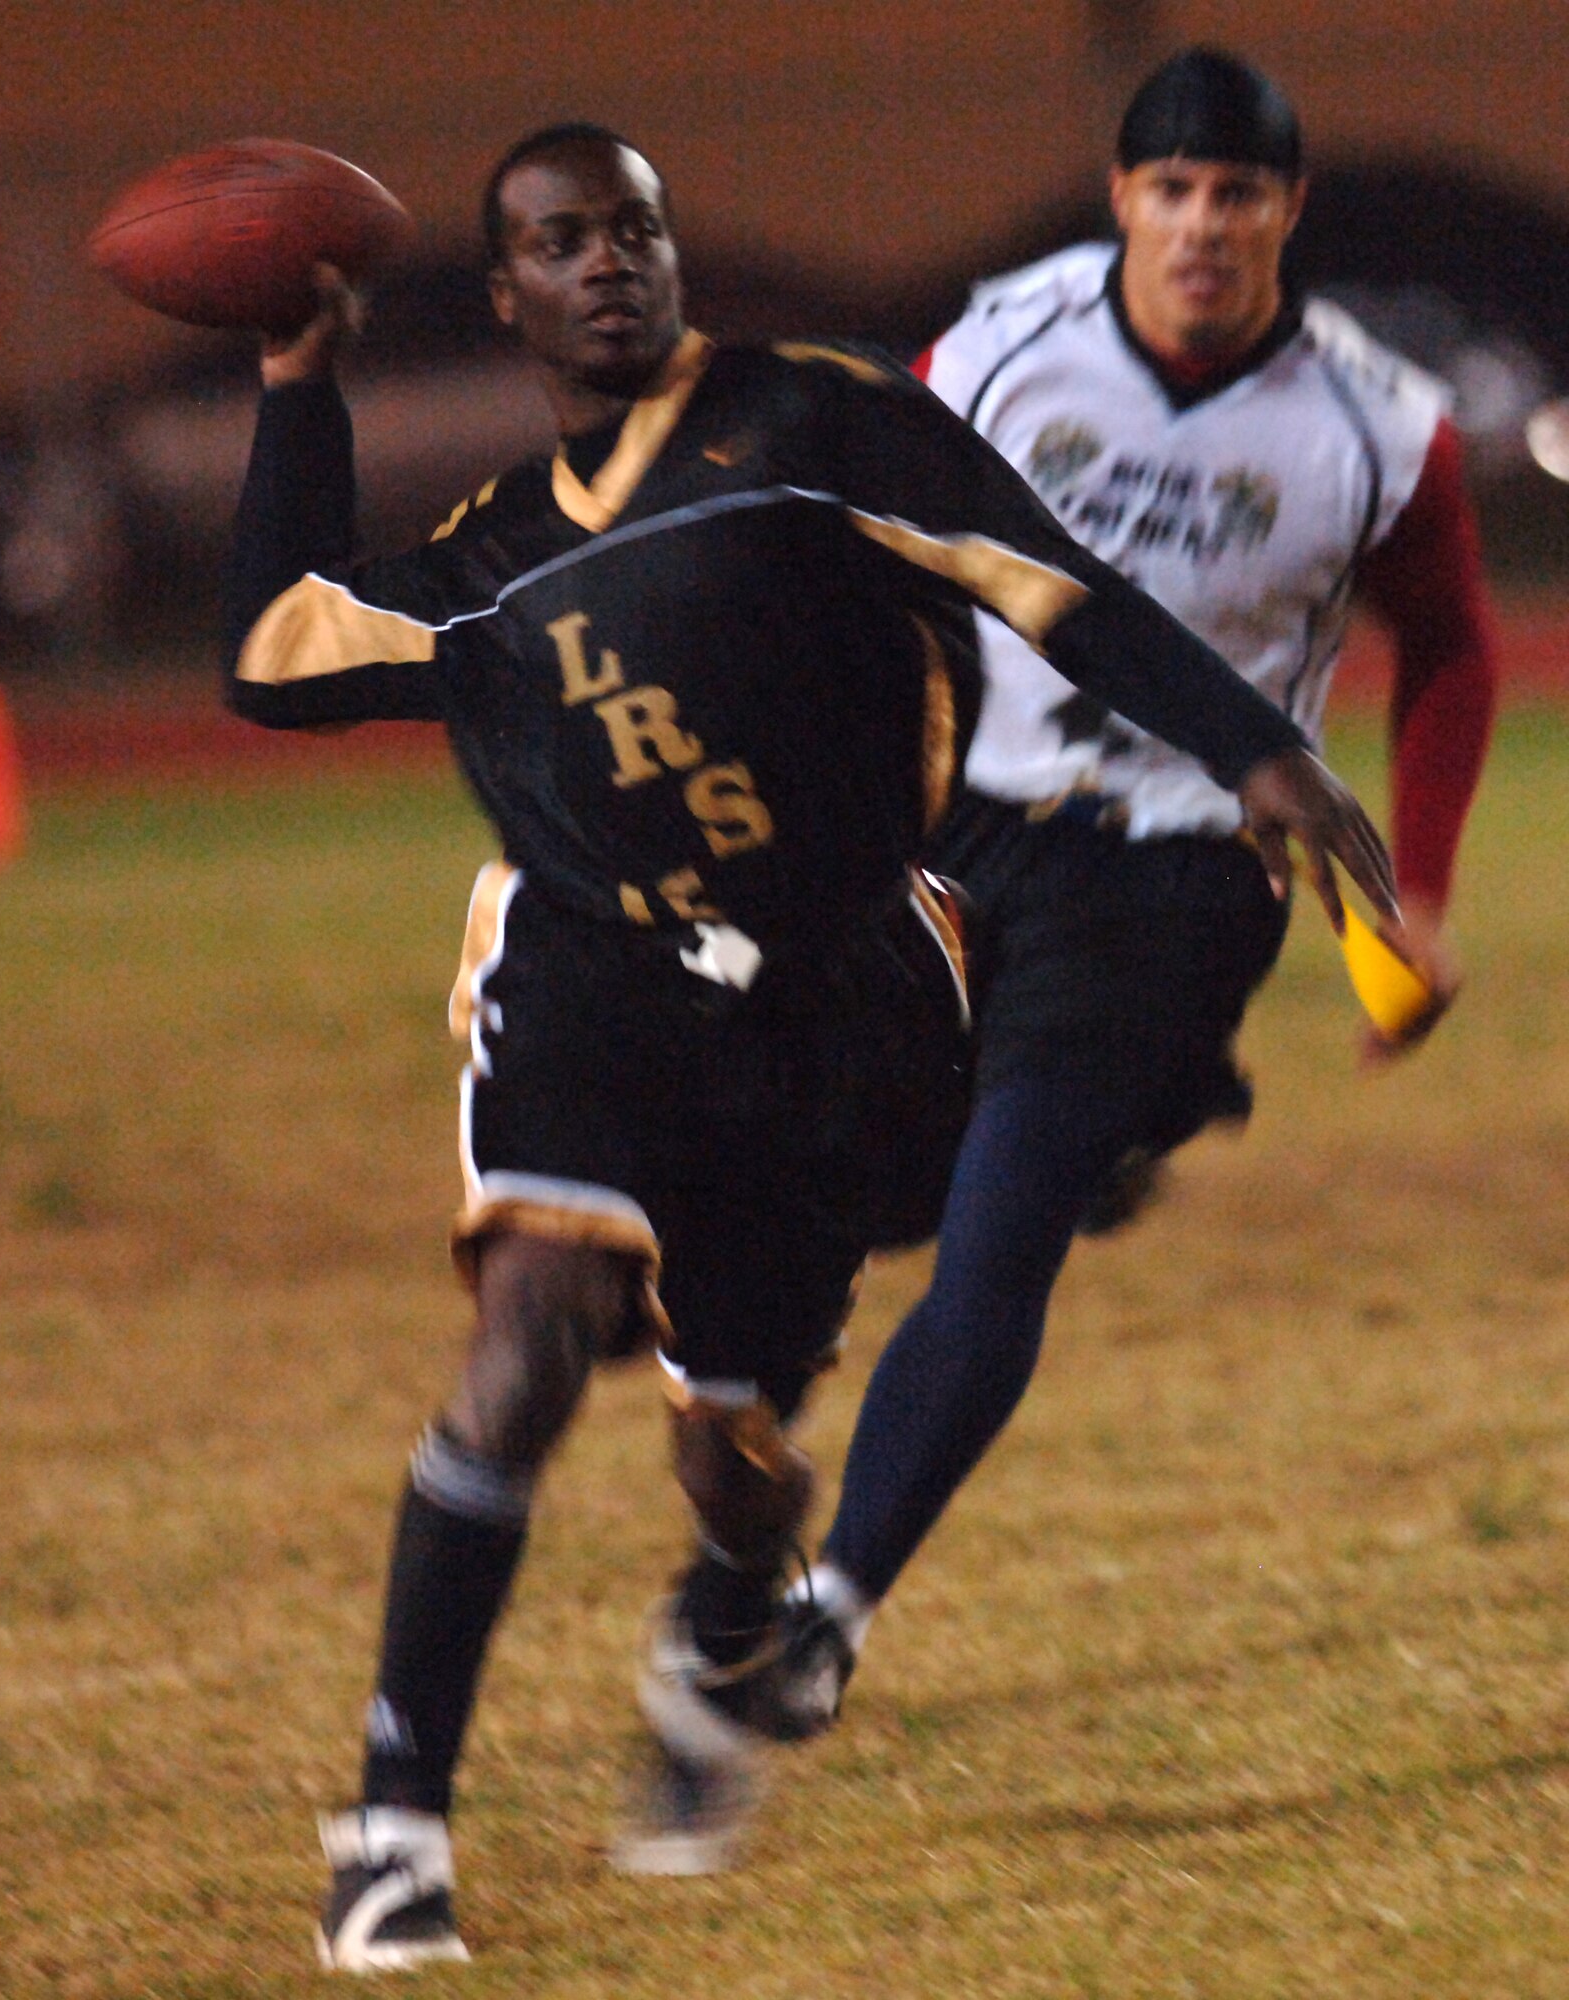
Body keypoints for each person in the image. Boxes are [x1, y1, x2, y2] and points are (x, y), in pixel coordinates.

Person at [221, 120, 1399, 1969]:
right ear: (511, 290)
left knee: (738, 1456)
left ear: (674, 254)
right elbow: (273, 650)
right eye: (558, 241)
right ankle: (392, 1821)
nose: (606, 261)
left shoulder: (816, 429)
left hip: (834, 999)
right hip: (589, 978)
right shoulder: (497, 558)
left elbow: (1060, 586)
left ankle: (740, 1577)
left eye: (635, 228)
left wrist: (1254, 744)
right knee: (522, 1349)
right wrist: (298, 373)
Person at [776, 49, 1497, 1735]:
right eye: (1170, 189)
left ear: (1288, 211)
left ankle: (825, 1611)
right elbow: (869, 548)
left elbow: (1453, 651)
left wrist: (1421, 888)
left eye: (1237, 193)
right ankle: (1112, 1134)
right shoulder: (1007, 348)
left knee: (997, 1235)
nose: (1201, 225)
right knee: (838, 1183)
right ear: (1121, 198)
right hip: (968, 832)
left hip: (1188, 864)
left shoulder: (1376, 428)